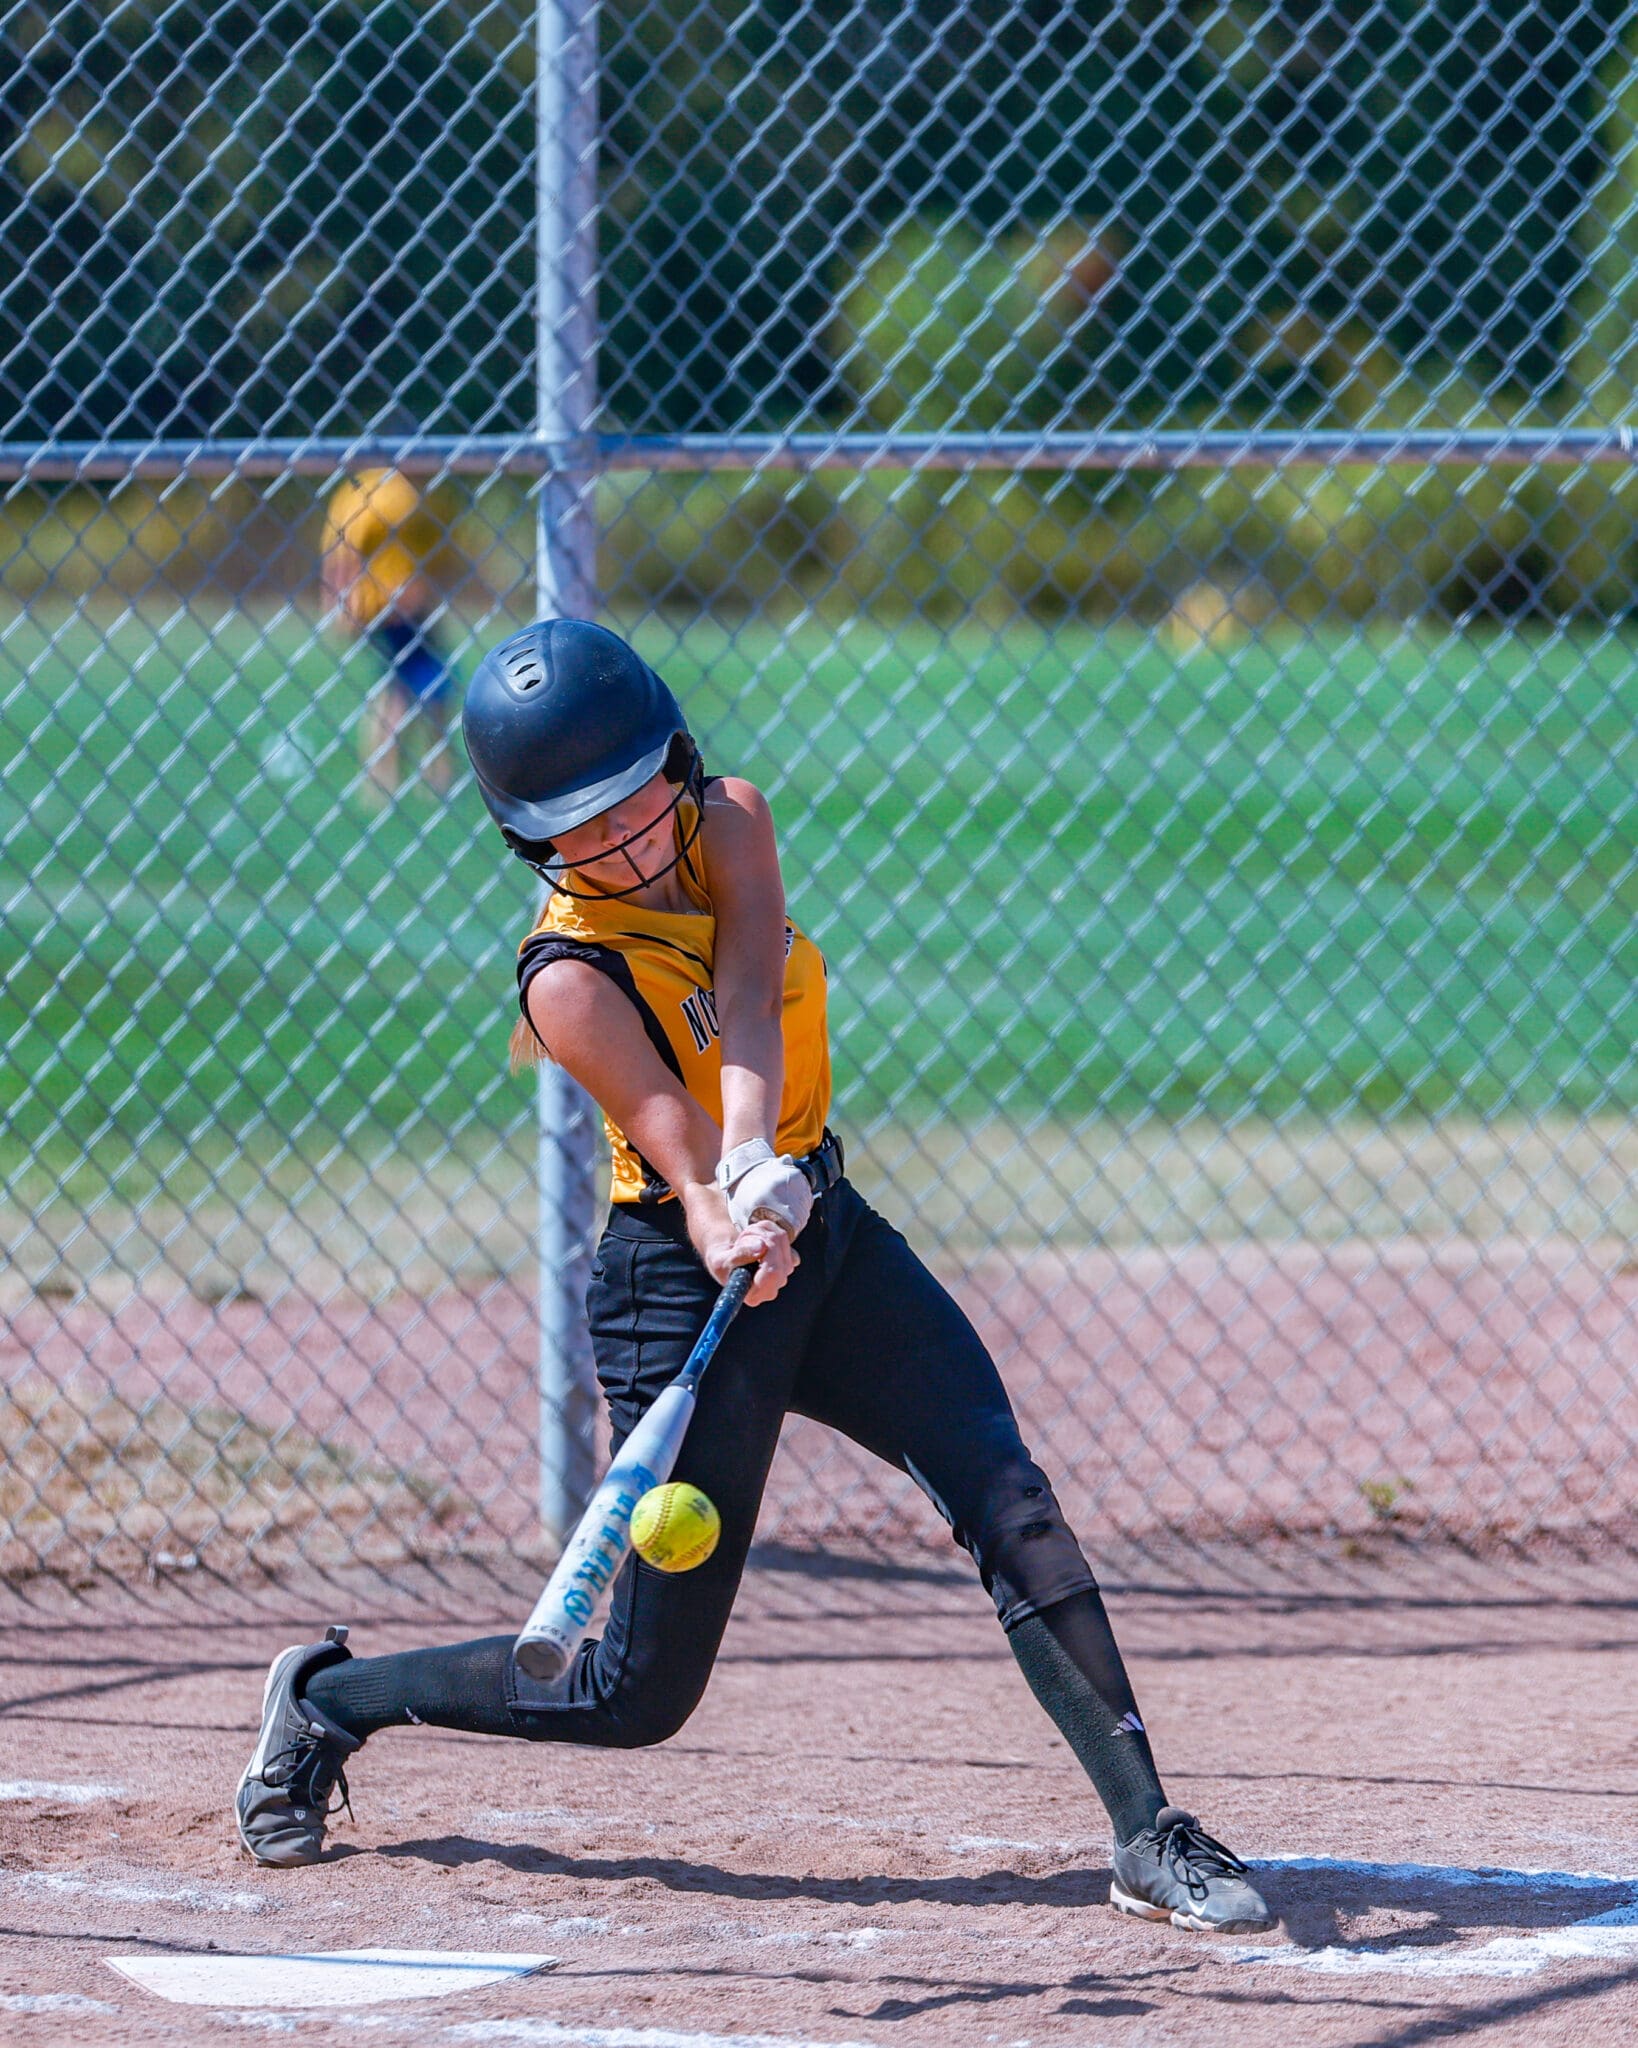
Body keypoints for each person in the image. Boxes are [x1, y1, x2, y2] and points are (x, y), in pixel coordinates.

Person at [234, 618, 1273, 1935]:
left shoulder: (727, 821)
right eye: (573, 829)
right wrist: (721, 1197)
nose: (616, 842)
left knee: (1009, 1499)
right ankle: (329, 1699)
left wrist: (758, 1157)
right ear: (523, 839)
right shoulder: (566, 976)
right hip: (680, 1285)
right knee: (634, 1693)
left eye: (629, 800)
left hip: (818, 1227)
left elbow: (746, 977)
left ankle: (1146, 1832)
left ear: (673, 758)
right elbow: (664, 1138)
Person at [320, 466, 458, 799]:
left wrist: (336, 603)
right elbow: (346, 553)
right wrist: (343, 602)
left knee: (406, 688)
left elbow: (338, 554)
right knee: (408, 691)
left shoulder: (363, 487)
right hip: (391, 608)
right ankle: (400, 776)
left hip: (390, 608)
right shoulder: (393, 495)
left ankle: (401, 776)